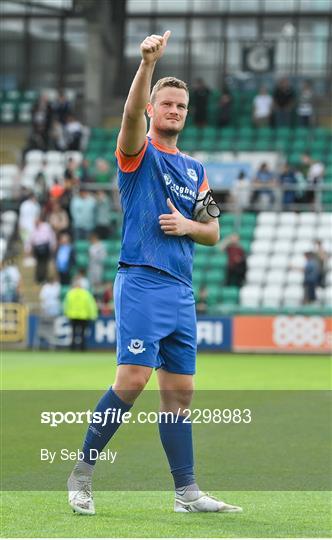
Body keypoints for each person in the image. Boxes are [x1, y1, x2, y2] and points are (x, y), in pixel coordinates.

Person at [67, 30, 241, 515]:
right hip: (141, 279)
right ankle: (81, 474)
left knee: (181, 394)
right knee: (133, 378)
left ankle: (186, 493)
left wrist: (189, 225)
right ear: (152, 109)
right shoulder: (137, 153)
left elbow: (212, 231)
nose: (174, 111)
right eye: (166, 104)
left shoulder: (195, 169)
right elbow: (126, 117)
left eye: (181, 106)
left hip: (180, 289)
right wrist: (146, 64)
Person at [63, 277, 98, 351]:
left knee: (73, 333)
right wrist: (93, 315)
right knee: (82, 333)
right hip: (83, 316)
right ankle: (82, 348)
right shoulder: (86, 293)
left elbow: (66, 304)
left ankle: (72, 348)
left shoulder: (70, 293)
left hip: (72, 315)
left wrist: (66, 313)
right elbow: (90, 305)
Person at [29, 216, 57, 284]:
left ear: (40, 220)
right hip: (37, 247)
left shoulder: (46, 226)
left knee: (44, 263)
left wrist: (53, 244)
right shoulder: (34, 228)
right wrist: (29, 248)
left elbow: (51, 236)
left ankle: (44, 278)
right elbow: (31, 238)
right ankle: (38, 278)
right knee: (38, 263)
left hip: (45, 246)